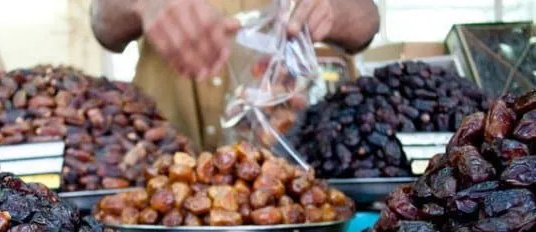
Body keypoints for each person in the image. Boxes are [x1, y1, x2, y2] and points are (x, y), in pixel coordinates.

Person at [91, 0, 380, 151]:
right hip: (160, 167)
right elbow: (104, 22)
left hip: (293, 162)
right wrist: (144, 3)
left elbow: (366, 21)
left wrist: (332, 9)